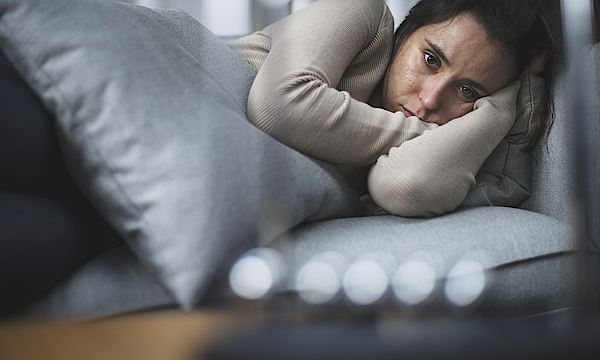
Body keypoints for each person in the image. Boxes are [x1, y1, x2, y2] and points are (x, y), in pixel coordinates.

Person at [228, 0, 561, 216]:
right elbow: (279, 105)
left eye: (466, 90)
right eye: (430, 60)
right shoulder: (361, 11)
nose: (430, 100)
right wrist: (425, 133)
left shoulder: (395, 153)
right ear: (405, 32)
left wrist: (503, 105)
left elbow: (406, 184)